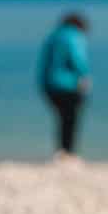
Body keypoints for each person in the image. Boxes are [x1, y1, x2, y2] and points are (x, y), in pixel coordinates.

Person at [38, 12, 91, 158]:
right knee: (71, 120)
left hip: (49, 85)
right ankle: (69, 152)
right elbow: (78, 59)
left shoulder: (52, 36)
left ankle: (60, 150)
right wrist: (84, 77)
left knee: (61, 119)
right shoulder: (74, 37)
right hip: (69, 85)